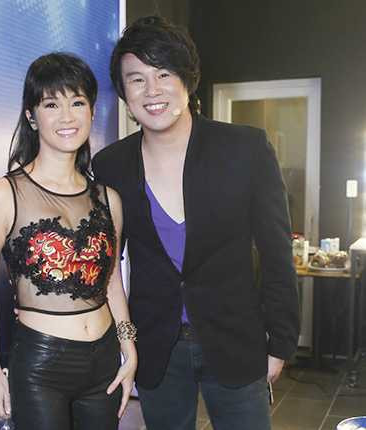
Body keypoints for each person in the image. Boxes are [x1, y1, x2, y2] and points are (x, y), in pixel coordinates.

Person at [92, 16, 299, 430]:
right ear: (125, 94)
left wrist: (281, 343)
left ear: (187, 80)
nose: (152, 90)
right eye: (137, 79)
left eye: (164, 74)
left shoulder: (244, 149)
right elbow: (107, 266)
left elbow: (277, 252)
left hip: (237, 342)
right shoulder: (111, 165)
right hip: (157, 349)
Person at [0, 52, 137, 430]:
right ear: (31, 116)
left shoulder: (109, 199)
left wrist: (129, 346)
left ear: (91, 111)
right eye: (51, 104)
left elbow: (111, 280)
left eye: (77, 102)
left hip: (104, 361)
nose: (67, 116)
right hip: (41, 365)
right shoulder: (2, 194)